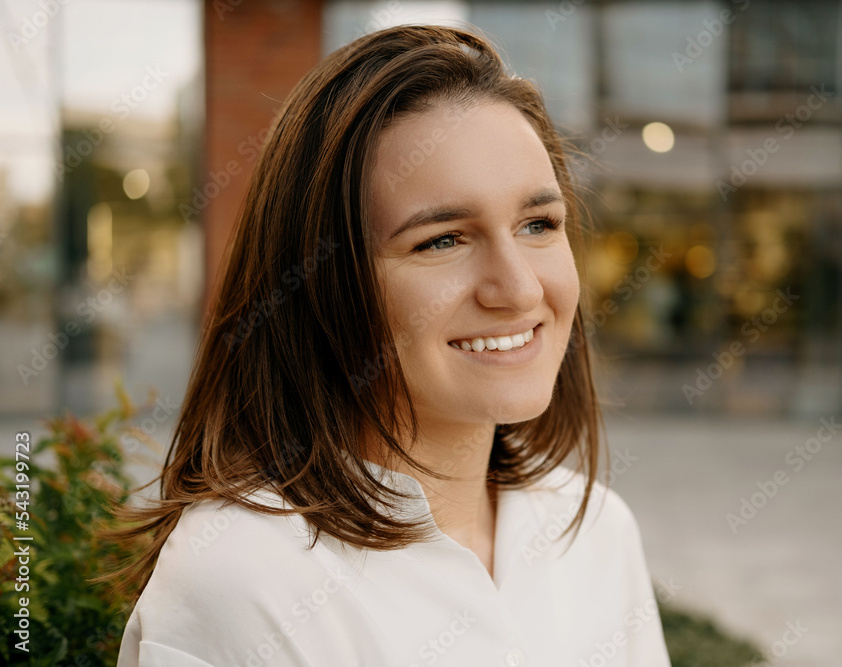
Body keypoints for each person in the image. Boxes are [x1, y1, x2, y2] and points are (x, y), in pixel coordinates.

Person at [113, 24, 671, 666]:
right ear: (320, 282)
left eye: (538, 224)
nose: (517, 289)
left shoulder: (595, 526)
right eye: (442, 240)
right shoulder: (241, 580)